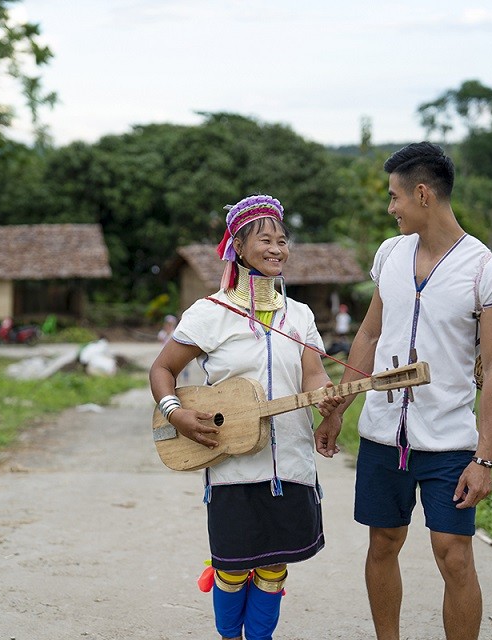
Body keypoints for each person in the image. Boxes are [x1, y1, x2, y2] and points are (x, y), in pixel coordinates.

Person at [314, 142, 492, 640]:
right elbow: (368, 335)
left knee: (454, 556)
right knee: (383, 542)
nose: (391, 208)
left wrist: (484, 459)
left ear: (422, 194)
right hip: (383, 435)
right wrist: (338, 408)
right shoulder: (390, 254)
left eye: (394, 197)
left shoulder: (485, 270)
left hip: (448, 441)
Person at [150, 194, 341, 640]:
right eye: (265, 239)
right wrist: (174, 413)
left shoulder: (300, 315)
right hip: (230, 465)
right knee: (233, 566)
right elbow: (163, 369)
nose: (277, 248)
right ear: (237, 246)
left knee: (275, 565)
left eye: (282, 240)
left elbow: (313, 375)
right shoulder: (210, 313)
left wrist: (325, 399)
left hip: (290, 464)